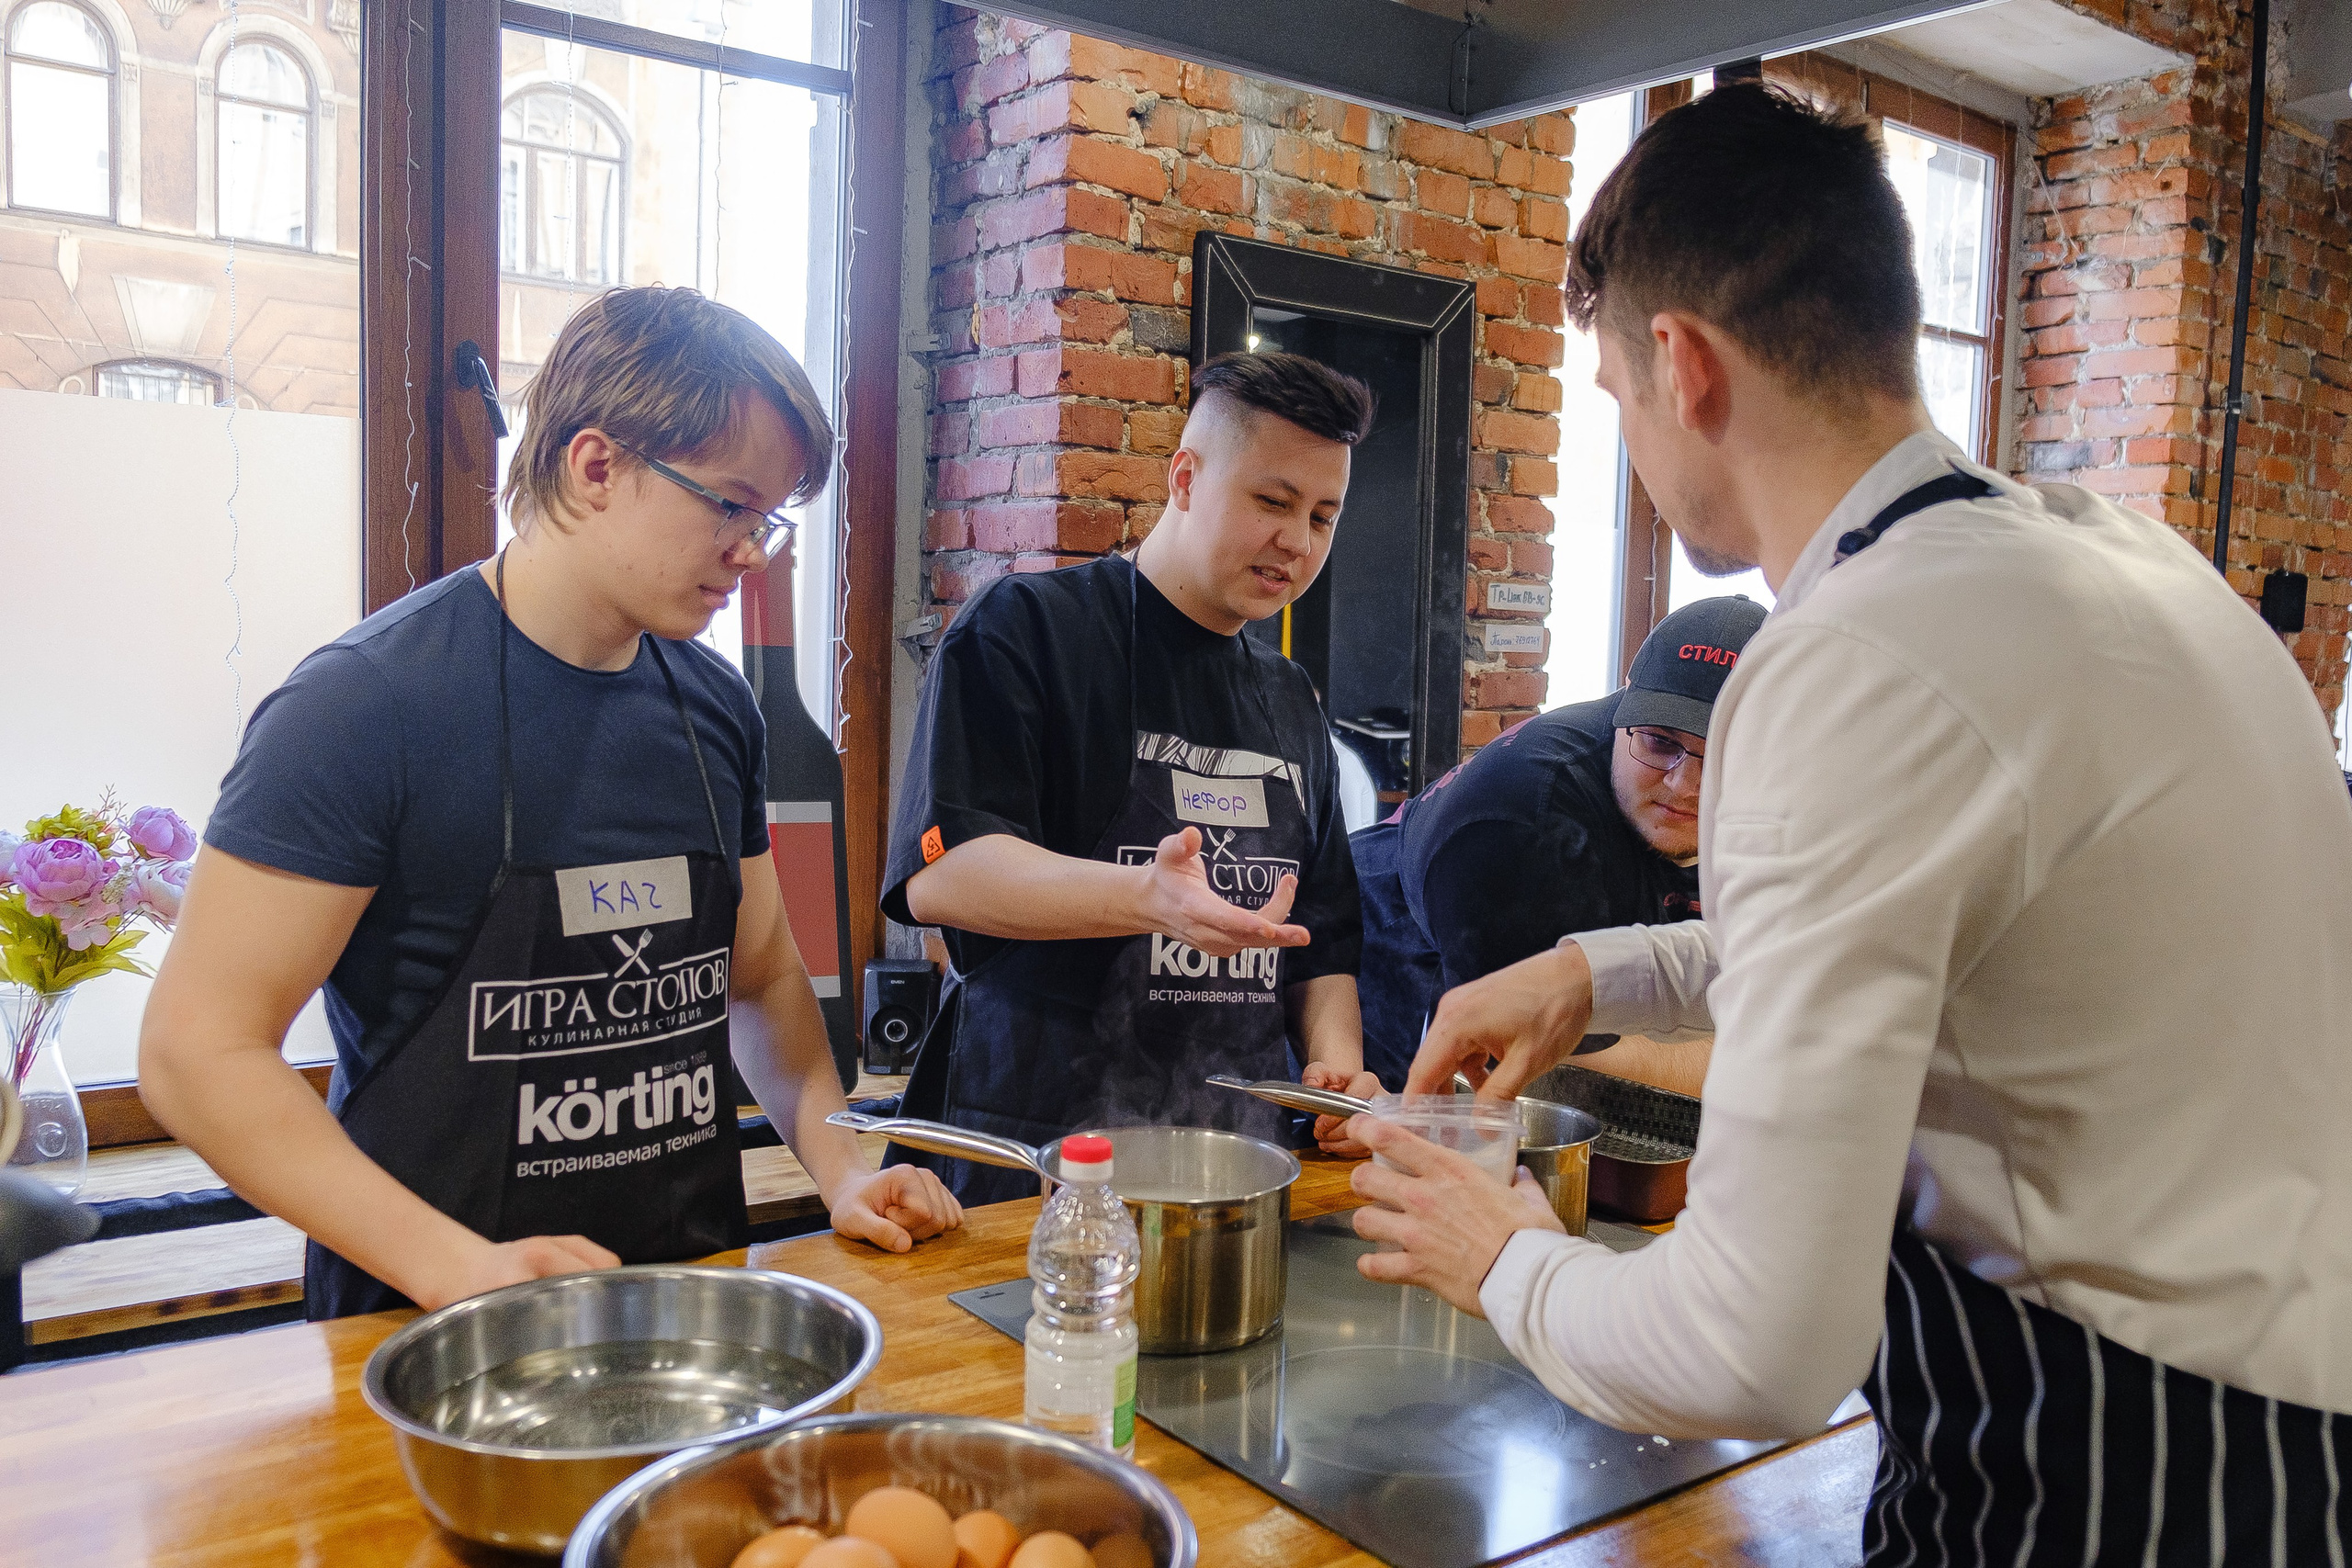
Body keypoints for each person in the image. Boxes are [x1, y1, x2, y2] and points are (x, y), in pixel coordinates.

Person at [1351, 84, 2352, 1562]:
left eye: (1615, 396)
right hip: (2278, 1448)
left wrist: (1501, 1253)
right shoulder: (2112, 560)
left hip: (2106, 1474)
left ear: (1683, 366)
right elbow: (1941, 927)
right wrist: (1594, 968)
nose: (1629, 435)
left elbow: (1755, 1345)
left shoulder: (1856, 654)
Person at [141, 288, 960, 1318]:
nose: (754, 551)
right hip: (436, 1331)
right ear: (596, 464)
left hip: (688, 1300)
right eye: (729, 504)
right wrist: (453, 1267)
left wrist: (842, 1166)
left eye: (770, 518)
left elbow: (758, 977)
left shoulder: (714, 709)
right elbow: (194, 1050)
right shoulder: (364, 706)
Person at [884, 352, 1383, 1207]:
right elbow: (945, 873)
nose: (1297, 543)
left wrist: (1338, 1064)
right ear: (1184, 478)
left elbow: (1323, 941)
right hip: (1033, 1163)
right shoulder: (1026, 633)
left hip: (1233, 1172)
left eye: (1323, 516)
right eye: (1272, 501)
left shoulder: (1290, 699)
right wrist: (1147, 896)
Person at [1351, 596, 1764, 1092]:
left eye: (1725, 755)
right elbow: (1550, 1053)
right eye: (1659, 743)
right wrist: (1769, 1066)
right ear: (1625, 702)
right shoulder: (1523, 818)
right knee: (1392, 1127)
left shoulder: (1800, 807)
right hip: (1393, 927)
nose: (1686, 786)